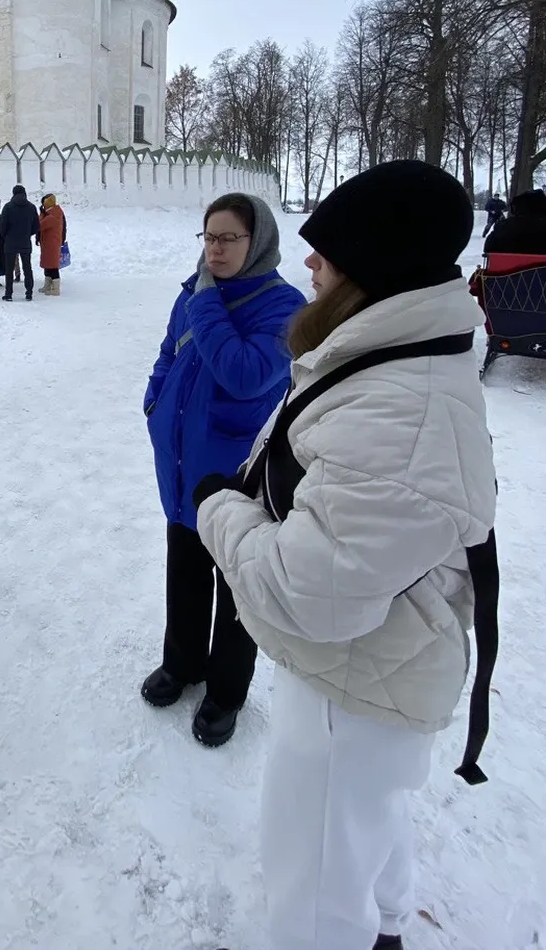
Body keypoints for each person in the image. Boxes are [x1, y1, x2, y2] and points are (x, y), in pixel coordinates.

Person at [196, 161, 497, 950]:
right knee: (368, 818)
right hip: (377, 668)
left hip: (353, 679)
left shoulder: (401, 408)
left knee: (316, 874)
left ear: (372, 266)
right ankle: (389, 924)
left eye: (324, 254)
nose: (308, 266)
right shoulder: (396, 358)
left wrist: (218, 506)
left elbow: (310, 594)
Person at [141, 194, 305, 747]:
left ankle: (225, 693)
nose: (214, 249)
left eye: (228, 238)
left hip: (239, 474)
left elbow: (244, 374)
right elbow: (169, 352)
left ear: (255, 241)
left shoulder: (283, 306)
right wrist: (154, 402)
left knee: (238, 586)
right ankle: (181, 664)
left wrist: (207, 300)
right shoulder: (192, 292)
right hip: (184, 467)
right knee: (184, 571)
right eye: (208, 237)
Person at [0, 184, 41, 302]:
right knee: (27, 268)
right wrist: (27, 234)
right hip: (25, 241)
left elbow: (2, 226)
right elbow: (36, 226)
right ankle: (29, 293)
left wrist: (6, 236)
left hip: (10, 242)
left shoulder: (8, 207)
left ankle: (8, 294)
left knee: (9, 269)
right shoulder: (31, 207)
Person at [484, 187, 546, 255]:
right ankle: (484, 232)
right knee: (489, 225)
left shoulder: (503, 227)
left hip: (507, 264)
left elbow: (488, 248)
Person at [38, 193, 67, 296]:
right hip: (48, 243)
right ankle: (48, 285)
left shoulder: (53, 214)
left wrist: (41, 214)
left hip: (51, 243)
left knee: (52, 265)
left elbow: (40, 225)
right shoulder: (53, 212)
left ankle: (55, 288)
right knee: (48, 264)